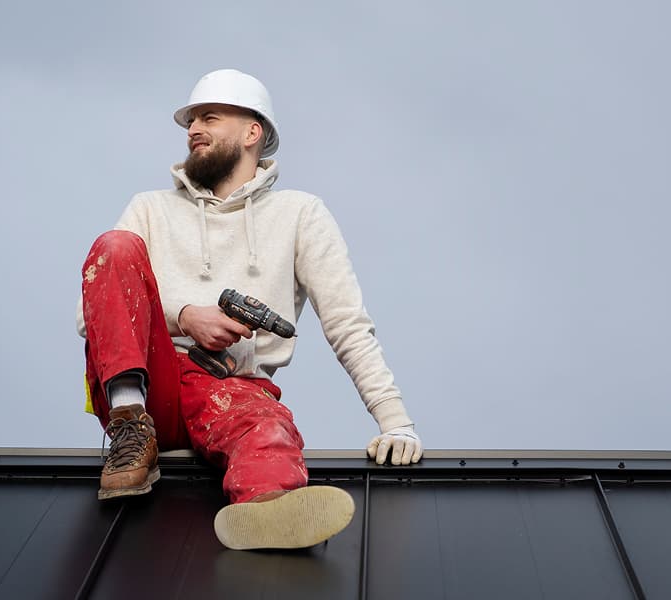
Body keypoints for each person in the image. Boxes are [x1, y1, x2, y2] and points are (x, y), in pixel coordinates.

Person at [77, 69, 422, 550]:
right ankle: (130, 433)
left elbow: (347, 324)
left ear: (252, 132)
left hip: (232, 387)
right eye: (191, 121)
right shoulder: (149, 208)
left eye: (209, 117)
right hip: (150, 384)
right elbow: (88, 314)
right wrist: (186, 316)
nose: (194, 129)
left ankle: (267, 517)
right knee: (115, 246)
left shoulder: (301, 214)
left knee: (269, 431)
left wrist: (395, 422)